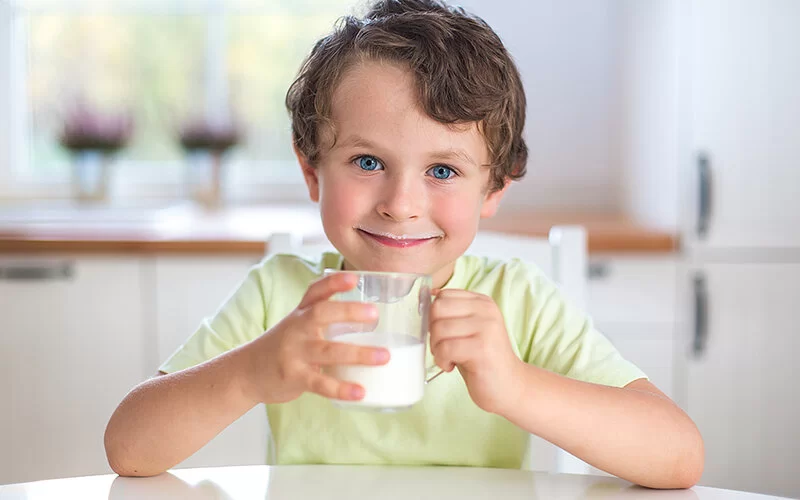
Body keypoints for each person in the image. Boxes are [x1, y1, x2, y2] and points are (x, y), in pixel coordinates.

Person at [104, 0, 704, 488]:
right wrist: (251, 373)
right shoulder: (282, 295)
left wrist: (518, 385)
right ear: (312, 170)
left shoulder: (520, 301)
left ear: (493, 189)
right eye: (368, 161)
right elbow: (129, 449)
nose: (401, 203)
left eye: (443, 171)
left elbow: (677, 456)